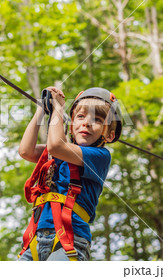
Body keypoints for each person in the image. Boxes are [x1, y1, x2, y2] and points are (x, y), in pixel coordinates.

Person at [17, 86, 122, 261]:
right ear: (71, 127)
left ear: (109, 136)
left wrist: (58, 108)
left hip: (71, 242)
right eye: (80, 117)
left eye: (97, 120)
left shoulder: (100, 157)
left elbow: (56, 146)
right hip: (35, 241)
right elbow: (25, 151)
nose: (86, 123)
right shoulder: (58, 154)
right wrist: (41, 110)